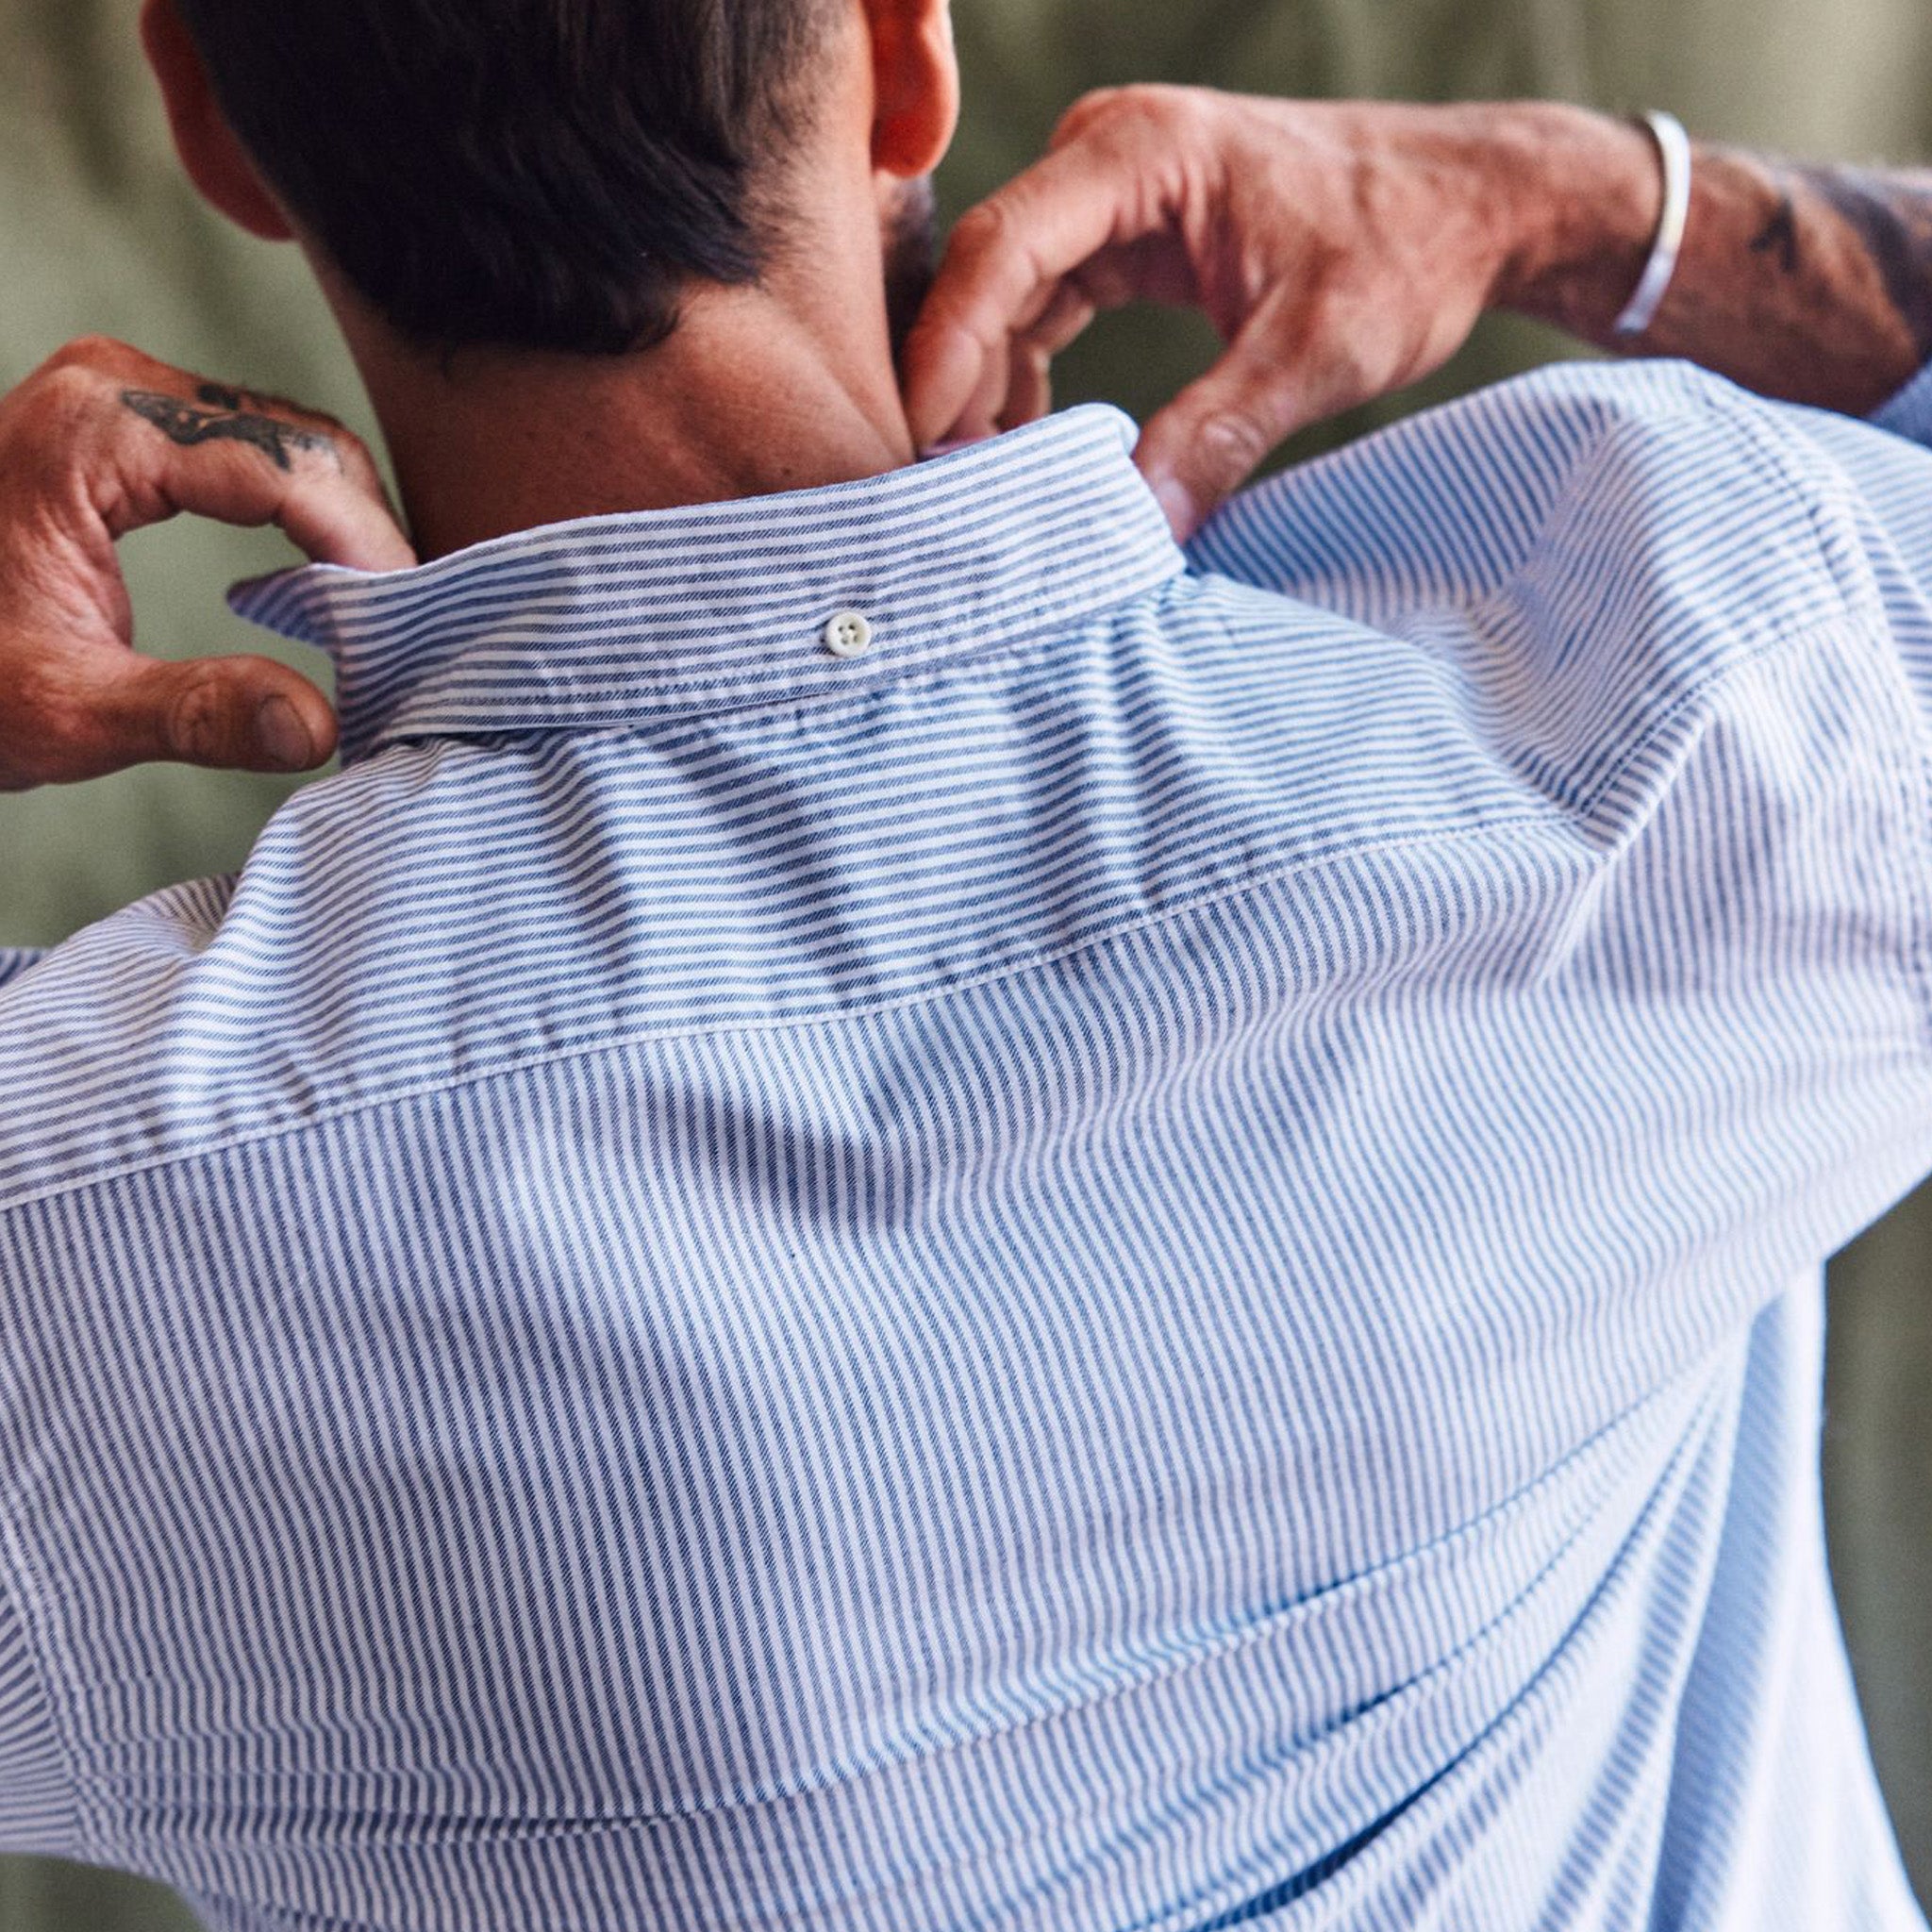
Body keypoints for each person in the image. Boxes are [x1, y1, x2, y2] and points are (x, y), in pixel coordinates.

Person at [7, 0, 1932, 1924]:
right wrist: (1585, 210)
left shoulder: (86, 1224)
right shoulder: (1711, 668)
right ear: (906, 61)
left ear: (208, 121)